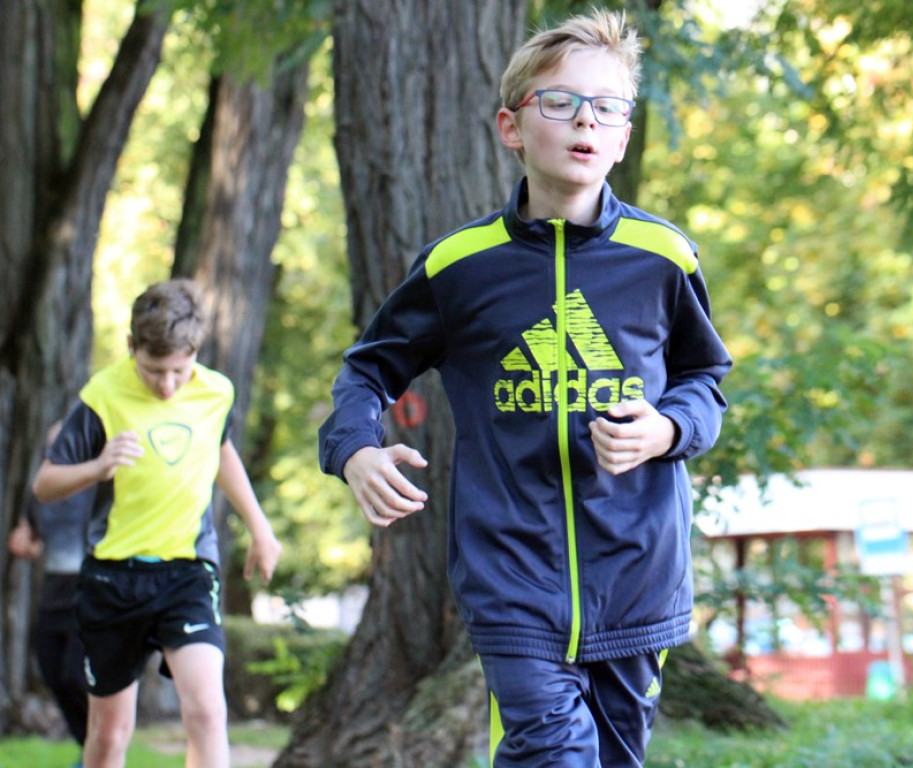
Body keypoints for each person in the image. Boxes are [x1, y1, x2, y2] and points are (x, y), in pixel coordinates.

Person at [319, 9, 732, 765]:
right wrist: (356, 452)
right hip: (511, 576)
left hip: (639, 574)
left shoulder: (662, 257)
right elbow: (366, 370)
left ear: (623, 137)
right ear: (512, 127)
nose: (585, 119)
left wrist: (665, 430)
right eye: (560, 101)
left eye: (606, 106)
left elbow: (706, 380)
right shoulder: (459, 266)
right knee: (551, 755)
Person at [33, 278, 282, 768]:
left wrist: (260, 527)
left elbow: (221, 450)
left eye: (179, 370)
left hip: (187, 572)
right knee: (108, 735)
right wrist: (98, 466)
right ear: (131, 348)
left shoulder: (216, 393)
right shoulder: (102, 395)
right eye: (153, 371)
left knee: (208, 713)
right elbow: (45, 483)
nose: (167, 385)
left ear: (196, 351)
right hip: (113, 578)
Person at [7, 422, 94, 766]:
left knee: (75, 673)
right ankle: (91, 746)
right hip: (52, 592)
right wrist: (24, 543)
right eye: (52, 449)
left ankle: (100, 746)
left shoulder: (97, 488)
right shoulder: (41, 491)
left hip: (88, 592)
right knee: (52, 672)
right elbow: (29, 538)